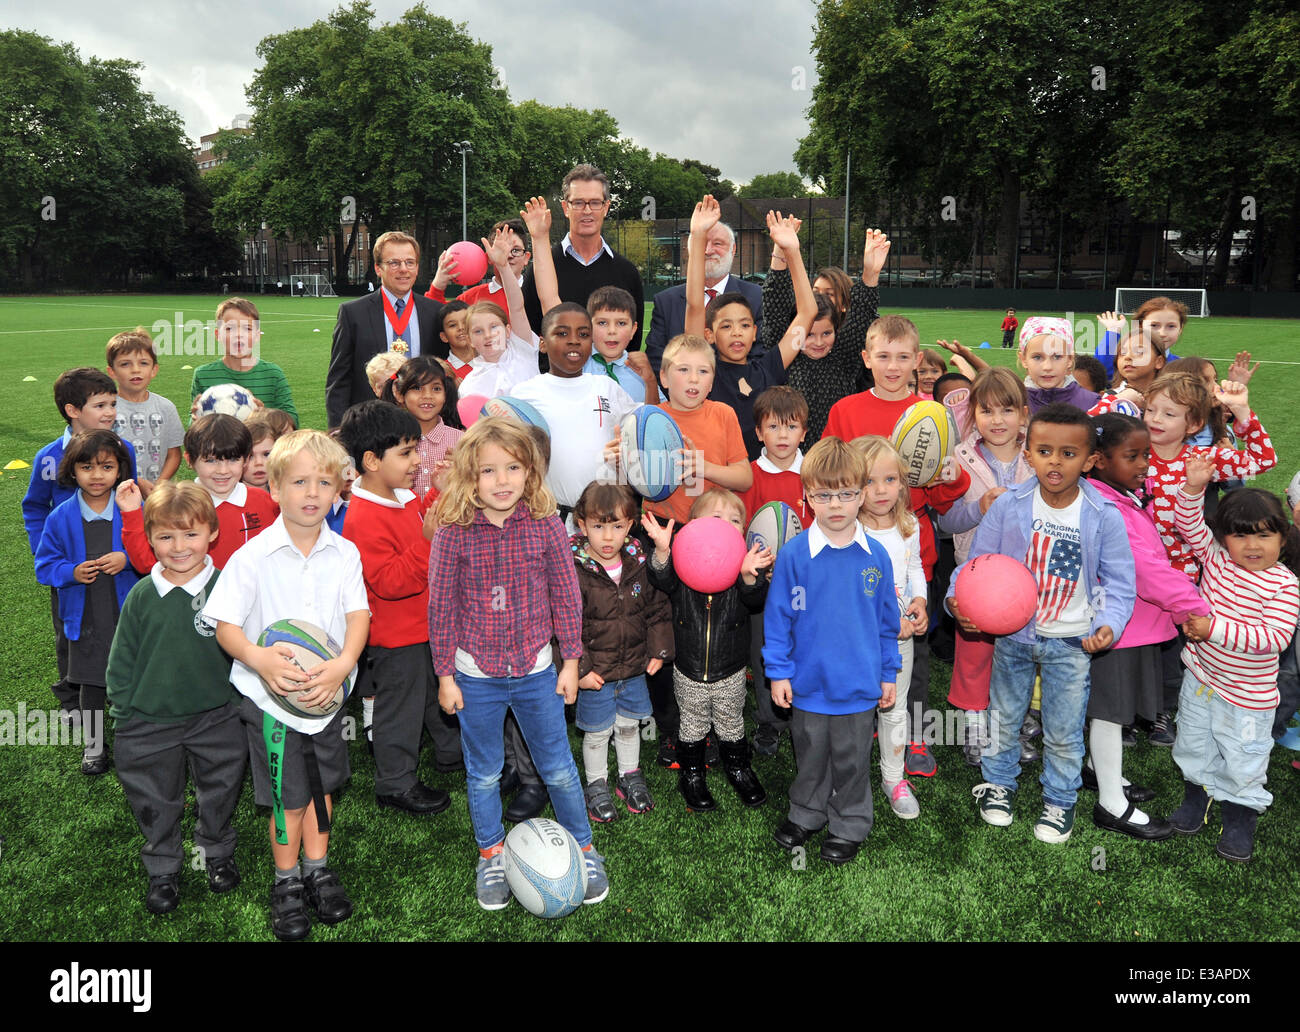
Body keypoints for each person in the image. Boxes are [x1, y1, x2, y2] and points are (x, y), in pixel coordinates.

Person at [427, 417, 609, 911]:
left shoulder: (547, 525)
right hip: (475, 675)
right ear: (470, 475)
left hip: (536, 672)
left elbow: (566, 597)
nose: (502, 480)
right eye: (489, 470)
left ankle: (584, 847)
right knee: (483, 773)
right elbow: (440, 608)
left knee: (559, 768)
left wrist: (570, 661)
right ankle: (490, 853)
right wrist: (445, 674)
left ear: (531, 473)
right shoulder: (452, 533)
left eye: (513, 467)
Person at [204, 429, 370, 941]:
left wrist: (343, 664)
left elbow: (358, 615)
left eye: (325, 481)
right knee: (288, 796)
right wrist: (260, 660)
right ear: (273, 486)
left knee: (322, 787)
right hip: (270, 702)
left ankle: (317, 867)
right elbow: (227, 626)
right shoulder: (252, 557)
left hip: (326, 697)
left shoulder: (344, 553)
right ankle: (286, 881)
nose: (313, 493)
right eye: (300, 481)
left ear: (340, 489)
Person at [950, 404, 1135, 844]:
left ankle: (1059, 800)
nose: (1055, 461)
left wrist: (1109, 622)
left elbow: (1122, 582)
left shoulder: (1103, 514)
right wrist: (957, 597)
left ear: (1090, 460)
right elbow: (980, 564)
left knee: (1064, 729)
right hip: (1014, 637)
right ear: (1028, 454)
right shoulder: (1009, 505)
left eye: (1069, 453)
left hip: (1072, 642)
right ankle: (998, 784)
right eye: (1045, 451)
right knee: (1004, 717)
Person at [823, 314, 971, 777]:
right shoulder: (846, 410)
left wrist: (954, 477)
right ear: (866, 359)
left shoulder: (934, 414)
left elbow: (946, 492)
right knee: (857, 636)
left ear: (918, 361)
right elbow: (827, 476)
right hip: (855, 546)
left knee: (913, 641)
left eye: (903, 357)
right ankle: (862, 716)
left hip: (912, 544)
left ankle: (914, 731)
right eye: (883, 356)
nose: (893, 366)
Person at [105, 481, 247, 914]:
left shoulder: (229, 588)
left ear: (213, 534)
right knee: (155, 799)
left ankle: (216, 852)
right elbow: (122, 659)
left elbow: (246, 651)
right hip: (150, 721)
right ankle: (163, 867)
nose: (179, 546)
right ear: (150, 539)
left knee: (220, 790)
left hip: (218, 717)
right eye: (166, 536)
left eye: (190, 534)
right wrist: (124, 715)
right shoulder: (142, 597)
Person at [765, 437, 901, 864]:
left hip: (859, 686)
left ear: (862, 494)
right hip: (807, 684)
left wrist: (888, 673)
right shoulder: (793, 556)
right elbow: (778, 620)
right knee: (810, 755)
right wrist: (779, 673)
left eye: (846, 493)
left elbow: (886, 624)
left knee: (852, 759)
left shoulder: (876, 557)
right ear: (808, 497)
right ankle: (807, 812)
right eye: (825, 495)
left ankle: (850, 822)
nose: (836, 504)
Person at [1168, 453, 1300, 862]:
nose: (1252, 546)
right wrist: (1193, 486)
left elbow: (1274, 638)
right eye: (1241, 536)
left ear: (1283, 537)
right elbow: (1188, 523)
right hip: (1202, 681)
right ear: (1225, 538)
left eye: (1264, 536)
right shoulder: (1217, 559)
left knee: (1244, 757)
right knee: (1192, 743)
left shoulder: (1284, 585)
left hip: (1248, 697)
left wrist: (1214, 631)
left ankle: (1240, 815)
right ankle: (1196, 795)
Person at [1082, 414, 1206, 841]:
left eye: (1146, 455)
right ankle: (1111, 804)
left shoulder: (1119, 497)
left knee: (1110, 710)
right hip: (1118, 627)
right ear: (1097, 460)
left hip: (1129, 626)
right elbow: (1145, 571)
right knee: (1109, 713)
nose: (1143, 465)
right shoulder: (1108, 506)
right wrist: (1192, 604)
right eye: (1131, 456)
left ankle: (1100, 774)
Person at [338, 400, 460, 815]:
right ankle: (394, 781)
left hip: (424, 626)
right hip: (396, 635)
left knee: (431, 696)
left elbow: (416, 522)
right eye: (406, 453)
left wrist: (436, 494)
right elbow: (389, 582)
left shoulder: (399, 496)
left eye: (415, 450)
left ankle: (450, 753)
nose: (416, 460)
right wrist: (428, 540)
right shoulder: (361, 516)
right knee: (401, 708)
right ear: (371, 460)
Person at [644, 488, 772, 811]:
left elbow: (756, 600)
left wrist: (748, 577)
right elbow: (661, 577)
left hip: (729, 670)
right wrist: (662, 551)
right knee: (693, 723)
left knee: (732, 722)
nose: (726, 526)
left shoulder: (744, 571)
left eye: (735, 521)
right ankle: (691, 775)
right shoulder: (682, 571)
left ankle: (739, 769)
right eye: (716, 518)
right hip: (688, 670)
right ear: (694, 527)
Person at [23, 367, 138, 716]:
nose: (110, 413)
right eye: (100, 405)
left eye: (113, 404)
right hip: (69, 563)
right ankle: (74, 694)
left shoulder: (123, 448)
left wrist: (130, 554)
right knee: (71, 630)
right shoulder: (47, 456)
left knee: (123, 625)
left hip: (118, 559)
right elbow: (34, 507)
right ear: (73, 410)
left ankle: (127, 694)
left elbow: (132, 503)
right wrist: (50, 553)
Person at [937, 368, 1034, 767]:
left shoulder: (1037, 456)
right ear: (972, 415)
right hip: (974, 577)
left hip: (1027, 580)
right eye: (987, 411)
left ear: (1024, 415)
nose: (997, 420)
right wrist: (979, 508)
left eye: (1007, 410)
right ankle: (976, 730)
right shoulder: (958, 459)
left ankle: (1009, 727)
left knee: (1017, 660)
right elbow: (944, 523)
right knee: (974, 658)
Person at [35, 430, 140, 775]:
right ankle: (94, 746)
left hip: (126, 615)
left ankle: (133, 740)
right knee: (91, 682)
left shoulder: (131, 510)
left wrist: (126, 558)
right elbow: (45, 565)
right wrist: (71, 571)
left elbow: (153, 553)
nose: (97, 476)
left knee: (132, 676)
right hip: (85, 618)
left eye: (106, 467)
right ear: (72, 471)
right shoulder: (61, 517)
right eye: (87, 467)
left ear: (120, 469)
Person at [571, 481, 673, 821]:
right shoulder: (575, 568)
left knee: (630, 727)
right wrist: (580, 669)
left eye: (616, 526)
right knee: (597, 733)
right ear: (582, 525)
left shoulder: (638, 562)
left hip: (632, 670)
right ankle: (596, 784)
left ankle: (630, 775)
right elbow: (567, 625)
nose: (608, 536)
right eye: (598, 526)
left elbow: (657, 609)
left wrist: (658, 650)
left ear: (630, 525)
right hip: (596, 673)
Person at [684, 198, 816, 461]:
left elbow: (808, 313)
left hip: (760, 484)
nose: (736, 332)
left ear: (755, 332)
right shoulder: (706, 369)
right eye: (726, 325)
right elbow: (695, 305)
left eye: (744, 325)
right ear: (709, 335)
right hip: (717, 484)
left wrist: (792, 251)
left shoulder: (768, 368)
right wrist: (698, 238)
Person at [852, 436, 927, 820]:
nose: (880, 491)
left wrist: (920, 601)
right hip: (858, 640)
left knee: (894, 708)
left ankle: (893, 777)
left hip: (901, 640)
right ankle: (852, 779)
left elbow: (914, 569)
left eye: (890, 480)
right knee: (858, 710)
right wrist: (887, 621)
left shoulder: (908, 524)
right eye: (868, 481)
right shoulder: (847, 531)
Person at [509, 303, 640, 519]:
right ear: (542, 343)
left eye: (583, 334)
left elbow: (644, 430)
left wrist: (627, 457)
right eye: (562, 333)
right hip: (549, 517)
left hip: (605, 521)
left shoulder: (607, 387)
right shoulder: (524, 394)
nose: (574, 340)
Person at [738, 385, 811, 758]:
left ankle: (804, 712)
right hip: (764, 586)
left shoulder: (813, 474)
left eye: (791, 427)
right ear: (759, 432)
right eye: (773, 427)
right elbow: (741, 526)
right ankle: (769, 720)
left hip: (806, 583)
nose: (783, 436)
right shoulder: (750, 476)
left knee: (805, 646)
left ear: (804, 431)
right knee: (764, 649)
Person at [119, 414, 279, 572]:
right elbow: (146, 563)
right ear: (189, 459)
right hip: (198, 597)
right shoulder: (177, 504)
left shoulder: (265, 501)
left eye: (233, 459)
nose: (223, 470)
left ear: (245, 459)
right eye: (210, 460)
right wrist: (132, 513)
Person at [327, 231, 446, 427]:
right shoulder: (353, 313)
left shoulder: (434, 311)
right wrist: (337, 430)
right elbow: (339, 379)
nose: (403, 269)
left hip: (423, 422)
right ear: (378, 268)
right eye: (394, 263)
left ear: (417, 268)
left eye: (410, 262)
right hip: (370, 423)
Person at [520, 164, 644, 347]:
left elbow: (632, 347)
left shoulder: (627, 272)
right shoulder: (540, 270)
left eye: (595, 203)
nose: (587, 211)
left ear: (606, 207)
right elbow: (527, 338)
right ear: (565, 207)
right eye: (578, 203)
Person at [645, 217, 764, 373]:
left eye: (718, 243)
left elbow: (760, 357)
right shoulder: (666, 301)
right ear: (690, 251)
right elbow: (656, 359)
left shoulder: (757, 297)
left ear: (733, 250)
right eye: (701, 244)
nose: (708, 250)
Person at [191, 298, 299, 427]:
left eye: (247, 329)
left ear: (257, 335)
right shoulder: (203, 375)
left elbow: (293, 421)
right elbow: (192, 427)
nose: (238, 335)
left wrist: (264, 415)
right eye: (230, 328)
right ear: (217, 334)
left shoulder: (273, 374)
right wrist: (195, 421)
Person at [459, 231, 541, 399]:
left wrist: (503, 266)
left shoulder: (522, 350)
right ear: (469, 340)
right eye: (478, 331)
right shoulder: (469, 386)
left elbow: (517, 307)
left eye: (494, 327)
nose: (488, 335)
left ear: (508, 330)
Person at [106, 328, 182, 494]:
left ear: (154, 370)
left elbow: (174, 453)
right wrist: (135, 480)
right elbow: (101, 455)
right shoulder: (106, 409)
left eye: (143, 363)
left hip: (156, 494)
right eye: (125, 364)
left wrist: (161, 484)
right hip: (117, 493)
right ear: (112, 371)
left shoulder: (166, 407)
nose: (135, 370)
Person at [425, 216, 531, 327]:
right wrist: (437, 287)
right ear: (489, 257)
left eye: (515, 250)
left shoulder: (536, 294)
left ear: (526, 258)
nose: (508, 255)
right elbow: (433, 321)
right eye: (500, 250)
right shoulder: (469, 299)